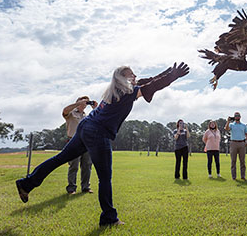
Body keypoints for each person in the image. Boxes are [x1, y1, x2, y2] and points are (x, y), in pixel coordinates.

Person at [16, 62, 190, 226]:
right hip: (98, 132)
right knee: (105, 177)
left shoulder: (116, 90)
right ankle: (108, 217)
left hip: (86, 127)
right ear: (123, 78)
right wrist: (174, 76)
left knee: (60, 158)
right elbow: (153, 86)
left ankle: (27, 183)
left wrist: (169, 71)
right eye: (131, 74)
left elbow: (150, 81)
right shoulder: (128, 92)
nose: (135, 76)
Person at [62, 96, 97, 194]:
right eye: (83, 101)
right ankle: (71, 188)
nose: (84, 103)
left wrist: (95, 108)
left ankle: (85, 187)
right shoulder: (71, 113)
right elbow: (64, 110)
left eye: (86, 101)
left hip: (86, 143)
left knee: (87, 165)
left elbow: (98, 119)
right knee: (74, 166)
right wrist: (78, 103)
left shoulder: (87, 116)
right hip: (73, 141)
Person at [224, 112, 247, 180]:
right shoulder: (231, 125)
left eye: (238, 116)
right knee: (233, 161)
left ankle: (243, 176)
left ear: (240, 117)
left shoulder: (244, 125)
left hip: (242, 143)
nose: (237, 117)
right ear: (234, 117)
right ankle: (234, 177)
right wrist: (228, 121)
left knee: (242, 161)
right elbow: (226, 129)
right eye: (236, 116)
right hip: (233, 143)